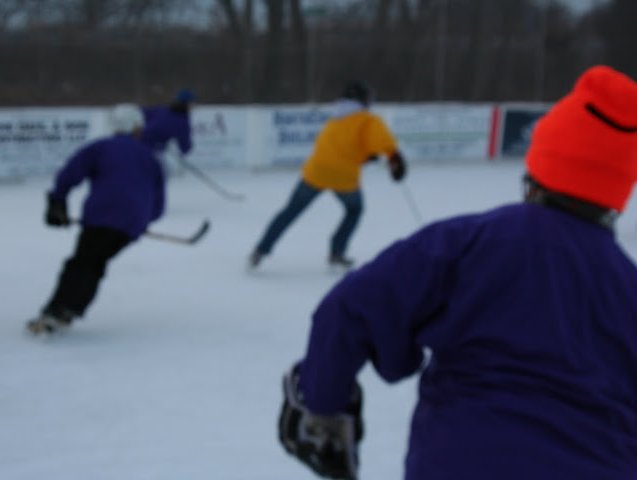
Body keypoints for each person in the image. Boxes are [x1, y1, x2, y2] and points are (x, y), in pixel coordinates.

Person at [277, 65, 637, 480]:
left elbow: (350, 309)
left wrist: (324, 406)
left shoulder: (468, 243)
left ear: (537, 169)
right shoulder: (628, 287)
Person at [26, 103, 166, 334]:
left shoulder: (101, 147)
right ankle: (70, 309)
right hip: (131, 223)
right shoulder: (151, 158)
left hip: (102, 216)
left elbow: (71, 172)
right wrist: (143, 221)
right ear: (137, 128)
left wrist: (57, 200)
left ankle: (57, 311)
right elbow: (159, 202)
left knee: (82, 263)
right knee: (95, 263)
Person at [248, 81, 406, 270]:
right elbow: (382, 143)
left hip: (316, 171)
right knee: (354, 210)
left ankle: (260, 250)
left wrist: (365, 155)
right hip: (343, 176)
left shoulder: (336, 116)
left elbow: (342, 144)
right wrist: (394, 158)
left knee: (290, 211)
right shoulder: (368, 119)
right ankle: (336, 252)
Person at [140, 88, 195, 164]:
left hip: (137, 141)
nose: (193, 106)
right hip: (152, 150)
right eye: (192, 103)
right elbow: (185, 147)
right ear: (187, 104)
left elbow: (140, 113)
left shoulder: (162, 109)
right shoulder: (182, 121)